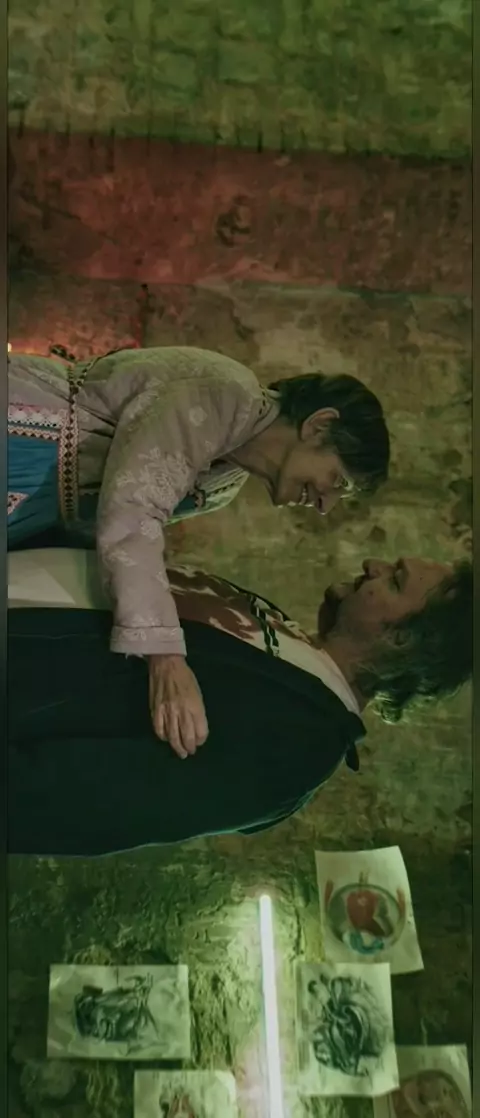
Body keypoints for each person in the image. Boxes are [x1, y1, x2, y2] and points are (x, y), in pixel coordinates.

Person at [8, 346, 390, 756]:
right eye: (338, 481)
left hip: (30, 509)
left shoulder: (223, 485)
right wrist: (166, 658)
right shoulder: (224, 392)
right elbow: (133, 512)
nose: (325, 505)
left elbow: (100, 525)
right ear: (319, 425)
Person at [7, 547, 471, 856]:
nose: (373, 564)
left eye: (394, 580)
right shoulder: (288, 640)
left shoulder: (297, 749)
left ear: (401, 640)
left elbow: (87, 802)